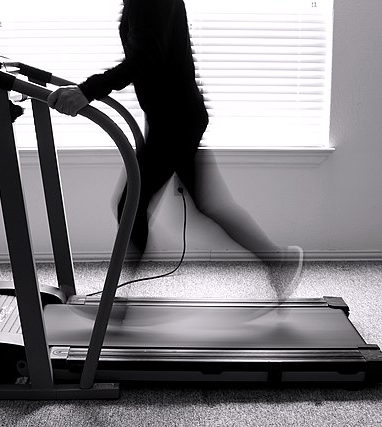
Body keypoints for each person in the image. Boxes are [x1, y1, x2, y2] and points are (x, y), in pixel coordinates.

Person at [48, 0, 303, 300]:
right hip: (173, 117)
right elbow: (163, 57)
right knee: (202, 204)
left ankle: (117, 303)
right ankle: (278, 261)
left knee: (131, 204)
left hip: (175, 119)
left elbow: (146, 57)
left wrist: (87, 90)